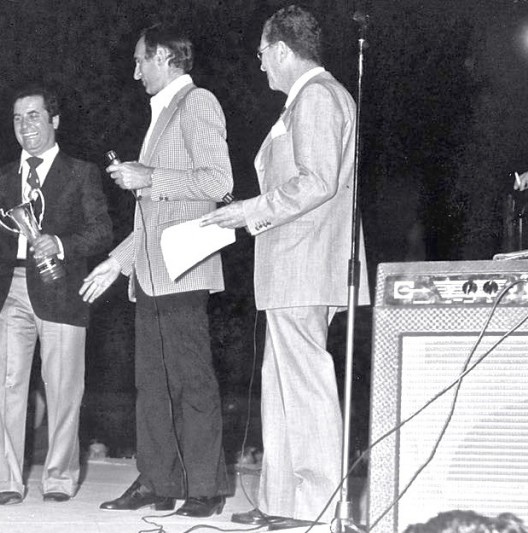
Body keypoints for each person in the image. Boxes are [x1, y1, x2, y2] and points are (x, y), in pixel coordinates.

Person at [201, 5, 370, 525]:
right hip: (294, 264)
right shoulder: (307, 99)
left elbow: (317, 182)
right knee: (281, 386)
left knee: (304, 386)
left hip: (305, 262)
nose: (260, 65)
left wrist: (248, 211)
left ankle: (315, 503)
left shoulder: (317, 97)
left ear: (280, 50)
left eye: (261, 54)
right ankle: (281, 502)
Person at [80, 23, 233, 518]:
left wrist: (149, 176)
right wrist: (116, 262)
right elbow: (155, 216)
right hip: (150, 274)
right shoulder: (161, 113)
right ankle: (157, 482)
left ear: (164, 57)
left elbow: (219, 182)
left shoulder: (197, 103)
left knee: (192, 382)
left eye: (140, 60)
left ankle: (205, 489)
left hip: (185, 270)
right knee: (152, 387)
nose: (135, 71)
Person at [0, 86, 112, 505]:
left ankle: (59, 479)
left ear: (55, 120)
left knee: (64, 389)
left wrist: (61, 244)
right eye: (17, 118)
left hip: (62, 290)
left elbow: (102, 231)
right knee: (7, 386)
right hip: (7, 289)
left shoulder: (81, 173)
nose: (24, 125)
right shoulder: (0, 176)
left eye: (33, 115)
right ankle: (6, 482)